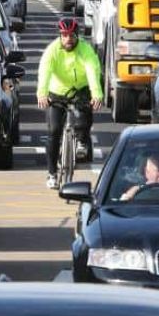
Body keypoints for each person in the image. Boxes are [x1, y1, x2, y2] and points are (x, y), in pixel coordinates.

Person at [37, 18, 103, 189]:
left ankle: (81, 141)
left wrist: (96, 94)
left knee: (83, 119)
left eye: (71, 36)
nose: (68, 39)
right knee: (54, 131)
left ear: (77, 36)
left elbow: (92, 71)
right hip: (57, 92)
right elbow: (44, 71)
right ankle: (52, 173)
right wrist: (42, 93)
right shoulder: (52, 50)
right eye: (64, 36)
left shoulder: (85, 50)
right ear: (60, 36)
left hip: (80, 89)